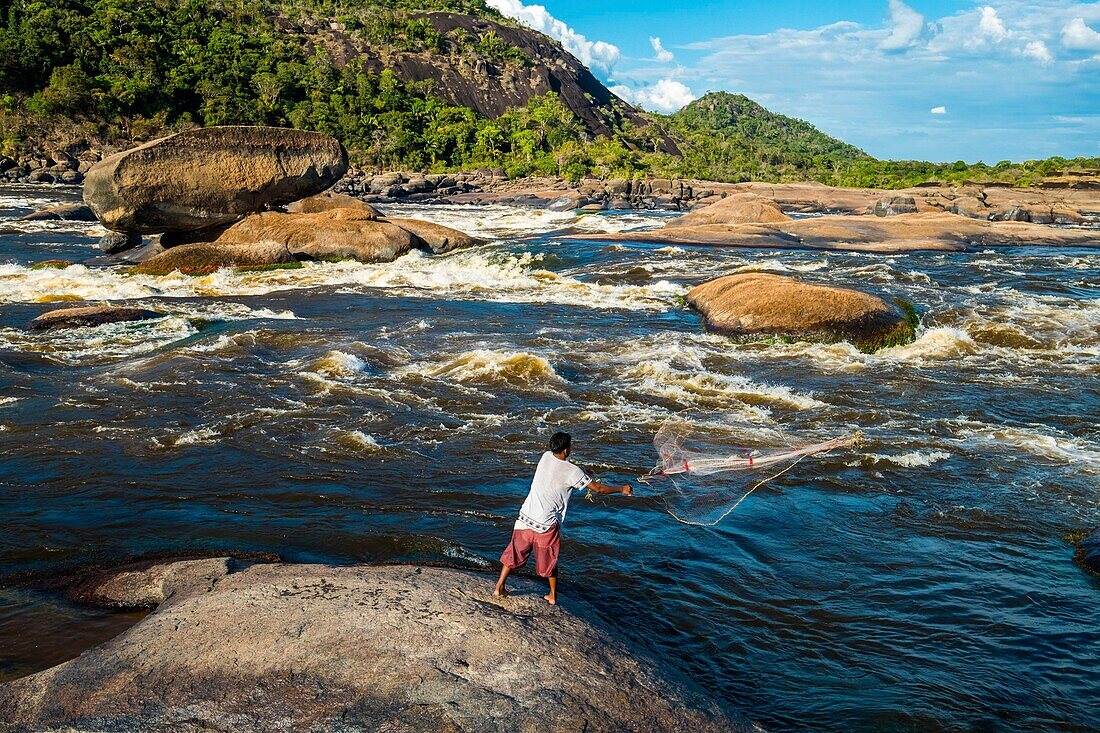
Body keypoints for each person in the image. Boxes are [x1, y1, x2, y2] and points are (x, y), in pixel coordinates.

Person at [493, 431, 632, 605]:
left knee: (514, 553)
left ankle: (499, 587)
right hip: (546, 524)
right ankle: (552, 595)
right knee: (550, 560)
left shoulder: (545, 457)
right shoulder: (573, 471)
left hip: (525, 518)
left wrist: (583, 474)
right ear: (566, 450)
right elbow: (598, 488)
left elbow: (558, 476)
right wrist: (622, 489)